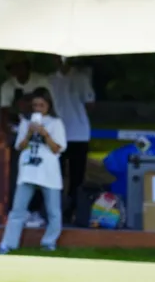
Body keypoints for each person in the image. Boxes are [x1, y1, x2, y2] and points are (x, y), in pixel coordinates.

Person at [0, 88, 67, 254]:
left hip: (49, 171)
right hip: (28, 171)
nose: (38, 109)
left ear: (49, 106)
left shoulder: (56, 123)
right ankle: (8, 243)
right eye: (35, 105)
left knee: (53, 211)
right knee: (18, 210)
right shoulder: (25, 122)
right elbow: (19, 147)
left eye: (42, 105)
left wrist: (45, 134)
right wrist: (29, 133)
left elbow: (57, 149)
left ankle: (49, 242)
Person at [0, 53, 52, 226]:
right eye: (11, 68)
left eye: (18, 66)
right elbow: (4, 112)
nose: (15, 71)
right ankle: (18, 210)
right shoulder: (8, 86)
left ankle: (37, 211)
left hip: (43, 133)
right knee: (19, 173)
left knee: (41, 173)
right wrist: (4, 131)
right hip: (21, 132)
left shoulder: (41, 80)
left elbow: (48, 105)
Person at [49, 56, 95, 223]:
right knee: (56, 175)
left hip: (78, 133)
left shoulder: (81, 78)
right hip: (56, 134)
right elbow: (90, 104)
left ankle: (73, 210)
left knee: (76, 176)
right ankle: (57, 210)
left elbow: (90, 103)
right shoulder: (50, 80)